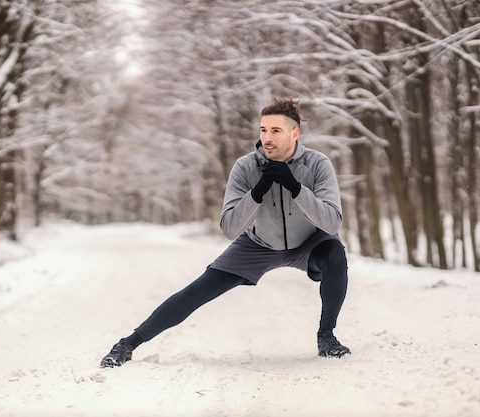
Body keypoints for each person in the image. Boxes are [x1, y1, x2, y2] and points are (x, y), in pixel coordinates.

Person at [100, 98, 350, 367]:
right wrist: (258, 191)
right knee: (197, 291)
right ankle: (128, 344)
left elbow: (332, 223)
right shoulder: (246, 167)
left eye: (276, 130)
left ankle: (327, 337)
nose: (267, 137)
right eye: (263, 130)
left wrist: (295, 187)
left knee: (335, 254)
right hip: (257, 244)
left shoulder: (317, 164)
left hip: (310, 242)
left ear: (295, 133)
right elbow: (230, 228)